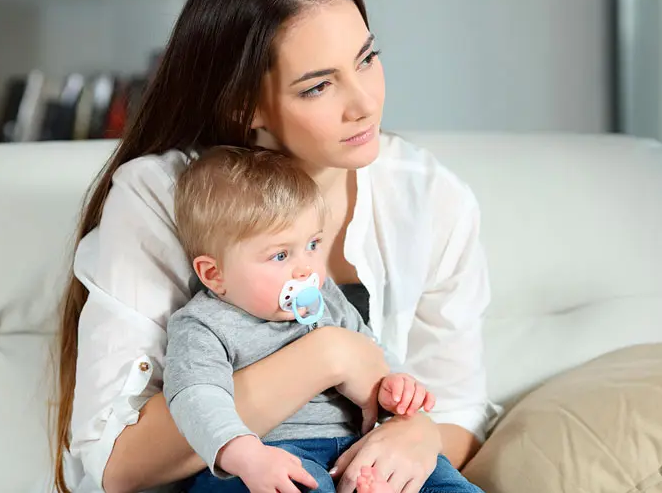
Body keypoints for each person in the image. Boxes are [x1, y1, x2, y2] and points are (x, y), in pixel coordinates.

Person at [53, 0, 500, 493]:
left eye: (367, 58)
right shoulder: (162, 197)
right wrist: (330, 354)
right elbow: (115, 466)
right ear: (246, 105)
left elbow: (459, 409)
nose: (363, 102)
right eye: (318, 85)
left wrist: (417, 434)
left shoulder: (430, 198)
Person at [164, 145, 482, 493]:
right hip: (268, 453)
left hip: (354, 448)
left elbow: (372, 356)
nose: (306, 269)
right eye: (281, 254)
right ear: (214, 274)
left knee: (441, 480)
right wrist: (245, 455)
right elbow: (196, 397)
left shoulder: (327, 298)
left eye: (313, 245)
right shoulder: (203, 324)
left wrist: (394, 389)